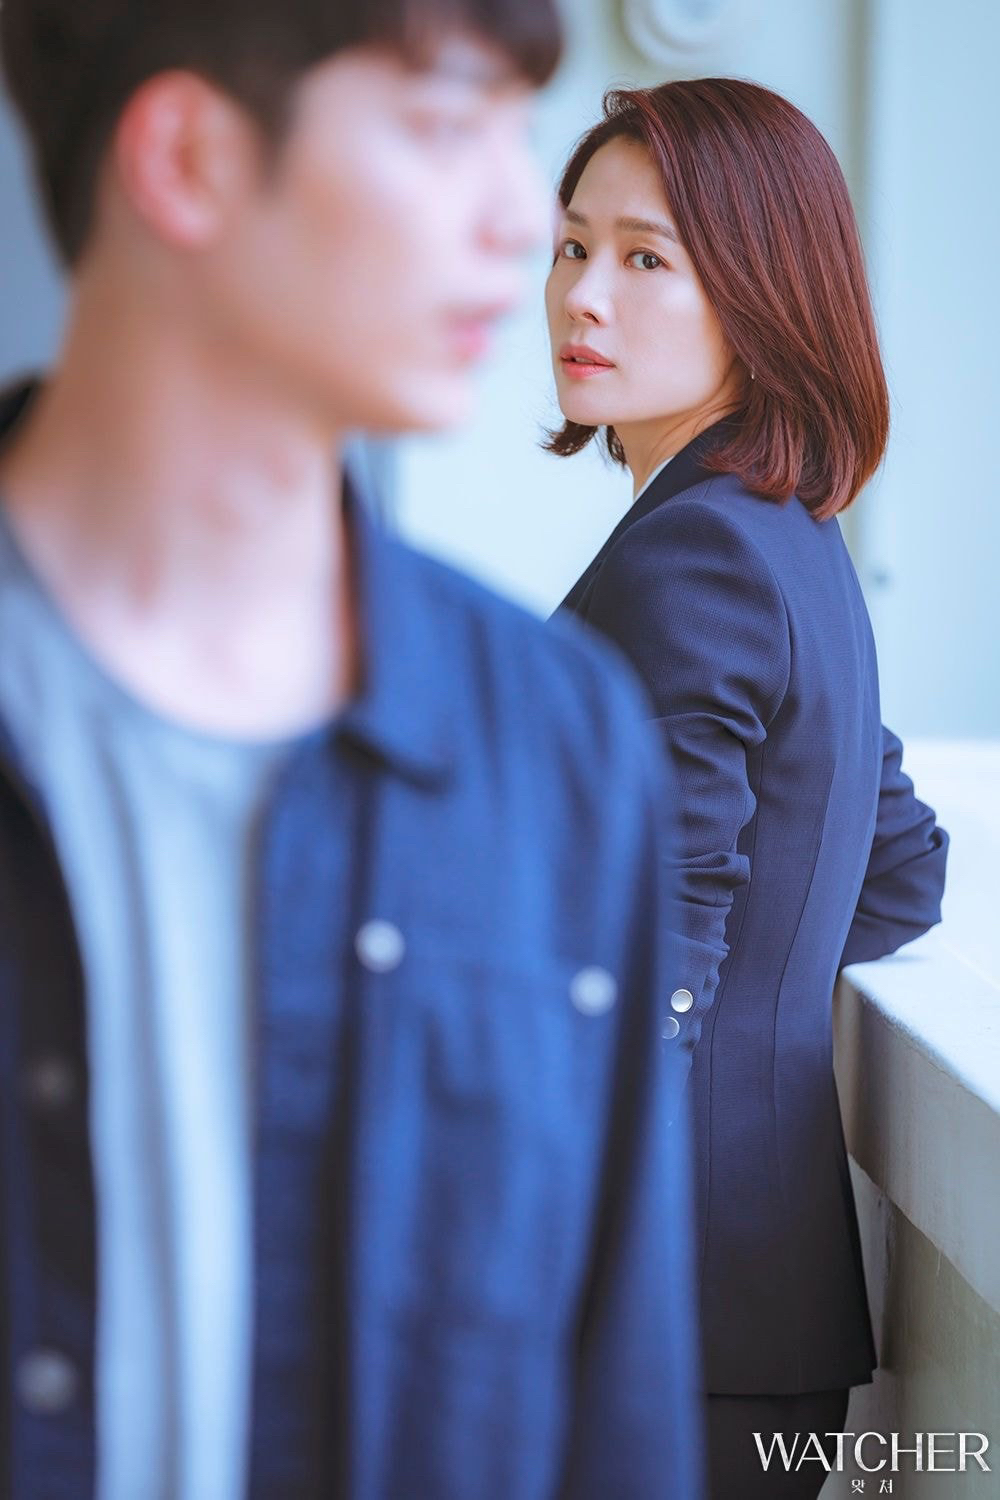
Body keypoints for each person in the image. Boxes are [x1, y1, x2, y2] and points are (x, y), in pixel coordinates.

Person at [0, 7, 706, 1498]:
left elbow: (619, 1425)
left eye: (519, 133)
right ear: (187, 159)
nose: (520, 225)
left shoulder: (563, 749)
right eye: (445, 127)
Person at [545, 78, 949, 1500]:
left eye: (645, 258)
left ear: (762, 294)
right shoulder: (789, 537)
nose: (583, 296)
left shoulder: (696, 555)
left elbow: (654, 966)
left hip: (659, 1317)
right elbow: (898, 872)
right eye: (571, 244)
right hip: (751, 1291)